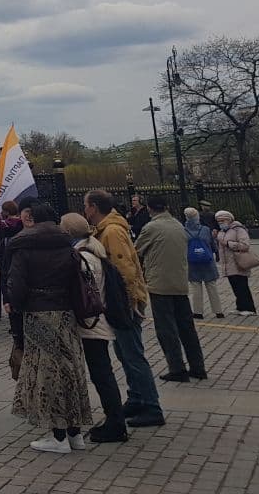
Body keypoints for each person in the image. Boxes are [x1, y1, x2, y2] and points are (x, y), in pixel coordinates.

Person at [5, 202, 92, 453]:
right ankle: (75, 432)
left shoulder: (23, 248)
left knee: (47, 371)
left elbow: (17, 286)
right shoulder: (67, 246)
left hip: (39, 312)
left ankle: (58, 434)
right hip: (65, 312)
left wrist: (15, 304)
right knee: (70, 368)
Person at [83, 190, 164, 428]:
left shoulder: (112, 231)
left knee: (133, 354)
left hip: (123, 302)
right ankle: (137, 396)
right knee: (124, 351)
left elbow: (124, 267)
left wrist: (131, 301)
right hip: (118, 301)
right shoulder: (108, 229)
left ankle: (151, 405)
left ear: (95, 207)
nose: (85, 210)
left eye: (86, 206)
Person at [61, 213, 127, 444]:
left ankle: (116, 422)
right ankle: (115, 418)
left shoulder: (82, 257)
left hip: (90, 323)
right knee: (102, 372)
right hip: (98, 320)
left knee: (101, 373)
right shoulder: (95, 251)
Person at [135, 195, 207, 382]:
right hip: (180, 282)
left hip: (160, 284)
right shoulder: (177, 225)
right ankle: (198, 366)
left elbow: (137, 249)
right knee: (186, 327)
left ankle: (177, 367)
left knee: (166, 328)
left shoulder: (151, 227)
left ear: (149, 208)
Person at [183, 207, 225, 320]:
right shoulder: (205, 229)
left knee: (195, 286)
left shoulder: (183, 231)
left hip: (192, 262)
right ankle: (218, 311)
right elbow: (212, 244)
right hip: (207, 260)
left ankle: (198, 312)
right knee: (211, 285)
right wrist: (216, 253)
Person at [213, 210, 256, 315]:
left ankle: (249, 308)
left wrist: (229, 244)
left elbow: (245, 245)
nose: (220, 223)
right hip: (228, 264)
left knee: (242, 285)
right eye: (218, 221)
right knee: (235, 286)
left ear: (229, 219)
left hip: (238, 262)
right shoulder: (222, 231)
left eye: (222, 221)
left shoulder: (238, 229)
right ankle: (240, 306)